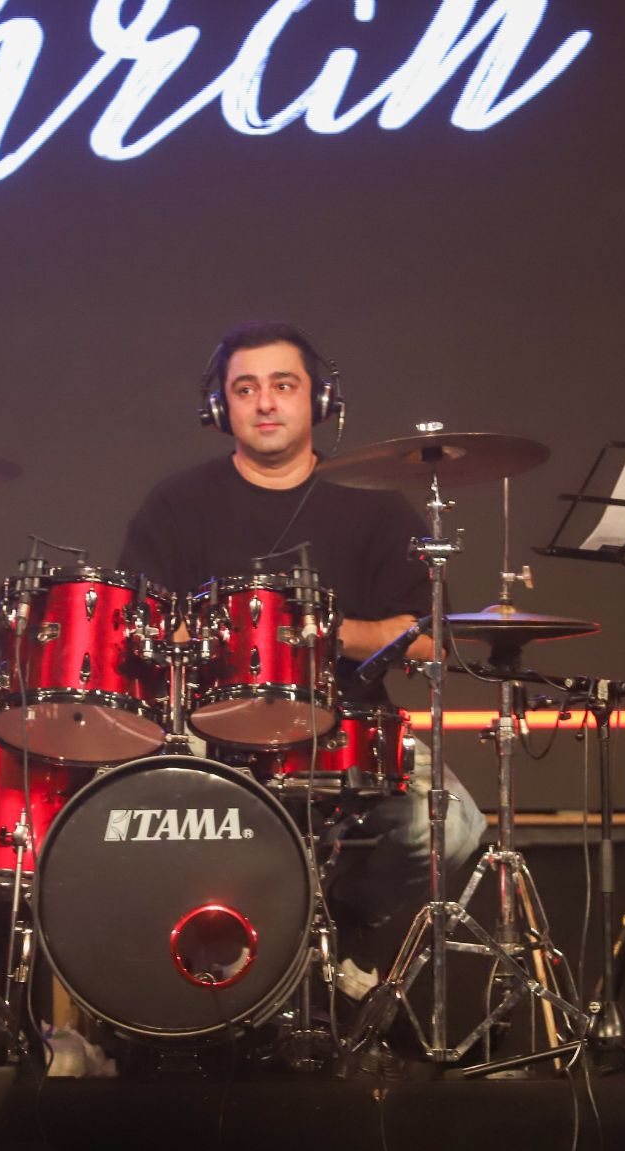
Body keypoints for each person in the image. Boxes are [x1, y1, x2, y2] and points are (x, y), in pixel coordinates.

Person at [117, 321, 485, 993]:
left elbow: (428, 636)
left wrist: (320, 632)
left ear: (317, 400)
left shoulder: (375, 505)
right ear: (219, 407)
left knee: (452, 824)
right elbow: (135, 626)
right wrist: (218, 636)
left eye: (282, 385)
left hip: (346, 726)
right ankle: (202, 968)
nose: (264, 403)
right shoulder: (176, 504)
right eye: (245, 388)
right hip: (205, 732)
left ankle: (343, 934)